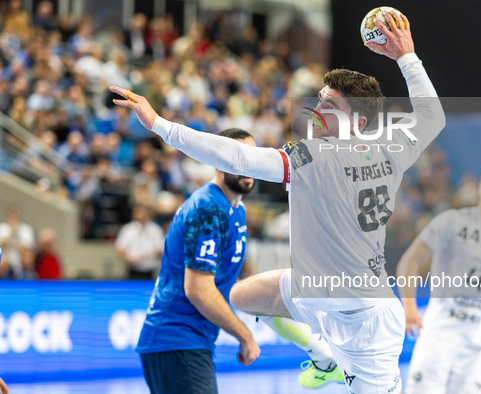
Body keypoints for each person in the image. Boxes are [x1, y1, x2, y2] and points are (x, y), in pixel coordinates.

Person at [111, 10, 444, 393]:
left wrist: (159, 125)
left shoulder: (314, 158)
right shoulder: (392, 146)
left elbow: (237, 157)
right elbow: (432, 116)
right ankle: (324, 358)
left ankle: (334, 360)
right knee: (243, 295)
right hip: (316, 291)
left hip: (363, 322)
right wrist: (407, 55)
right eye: (319, 100)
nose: (317, 112)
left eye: (330, 108)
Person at [134, 129, 261, 394]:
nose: (247, 164)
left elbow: (221, 281)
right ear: (217, 161)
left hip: (190, 341)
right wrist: (245, 335)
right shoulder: (209, 208)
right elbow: (198, 289)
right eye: (237, 156)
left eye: (252, 156)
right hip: (176, 339)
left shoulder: (235, 209)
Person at [397, 163, 481, 394]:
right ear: (480, 187)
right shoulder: (450, 221)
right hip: (440, 336)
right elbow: (410, 261)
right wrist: (409, 306)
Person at [115, 205, 165, 279]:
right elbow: (120, 248)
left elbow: (162, 248)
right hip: (132, 270)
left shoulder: (156, 229)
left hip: (151, 270)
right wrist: (130, 258)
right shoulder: (128, 229)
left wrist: (150, 254)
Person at [0, 206, 35, 279]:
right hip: (6, 262)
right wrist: (11, 233)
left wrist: (16, 235)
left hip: (20, 262)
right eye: (10, 217)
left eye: (15, 217)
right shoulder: (2, 228)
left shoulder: (25, 229)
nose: (13, 219)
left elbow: (26, 249)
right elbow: (1, 247)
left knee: (27, 258)